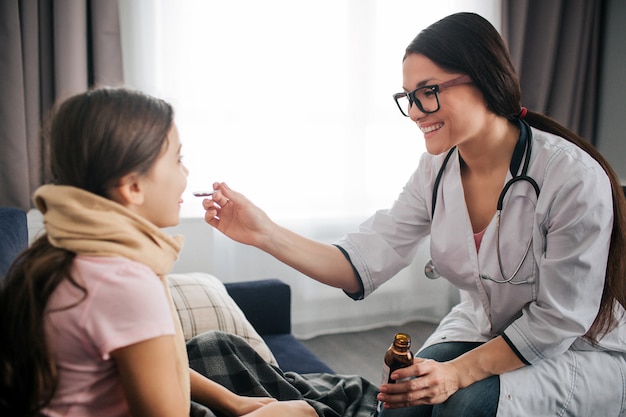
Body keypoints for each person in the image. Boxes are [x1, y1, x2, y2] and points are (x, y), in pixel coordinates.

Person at [200, 12, 626, 417]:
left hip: (571, 349)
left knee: (465, 403)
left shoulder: (572, 178)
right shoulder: (436, 171)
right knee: (402, 397)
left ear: (484, 79)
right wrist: (265, 233)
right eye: (409, 97)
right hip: (482, 327)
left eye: (429, 91)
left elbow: (559, 320)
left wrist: (456, 373)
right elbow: (362, 262)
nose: (416, 111)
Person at [0, 87, 317, 417]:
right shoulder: (125, 281)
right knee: (304, 411)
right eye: (178, 159)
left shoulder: (59, 249)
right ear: (132, 187)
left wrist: (231, 401)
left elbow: (150, 363)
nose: (186, 173)